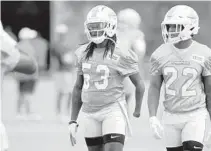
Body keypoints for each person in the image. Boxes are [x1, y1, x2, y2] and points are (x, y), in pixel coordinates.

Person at [68, 5, 145, 151]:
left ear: (110, 26)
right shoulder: (81, 53)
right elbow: (78, 87)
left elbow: (140, 84)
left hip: (112, 110)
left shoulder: (122, 52)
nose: (95, 30)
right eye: (92, 26)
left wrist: (137, 109)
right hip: (89, 112)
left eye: (99, 26)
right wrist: (73, 120)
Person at [147, 5, 211, 151]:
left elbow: (209, 92)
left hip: (195, 114)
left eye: (175, 26)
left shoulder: (204, 53)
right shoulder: (159, 54)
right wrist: (152, 116)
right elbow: (154, 87)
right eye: (169, 27)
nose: (170, 31)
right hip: (170, 115)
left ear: (190, 28)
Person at [0, 21, 38, 151]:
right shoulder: (12, 47)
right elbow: (31, 65)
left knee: (21, 94)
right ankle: (29, 112)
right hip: (27, 75)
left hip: (19, 76)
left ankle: (20, 112)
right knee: (27, 94)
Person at [117, 8, 146, 117]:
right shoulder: (136, 35)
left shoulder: (115, 33)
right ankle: (122, 125)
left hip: (117, 70)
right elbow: (140, 52)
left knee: (121, 100)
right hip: (127, 70)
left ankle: (121, 125)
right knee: (124, 99)